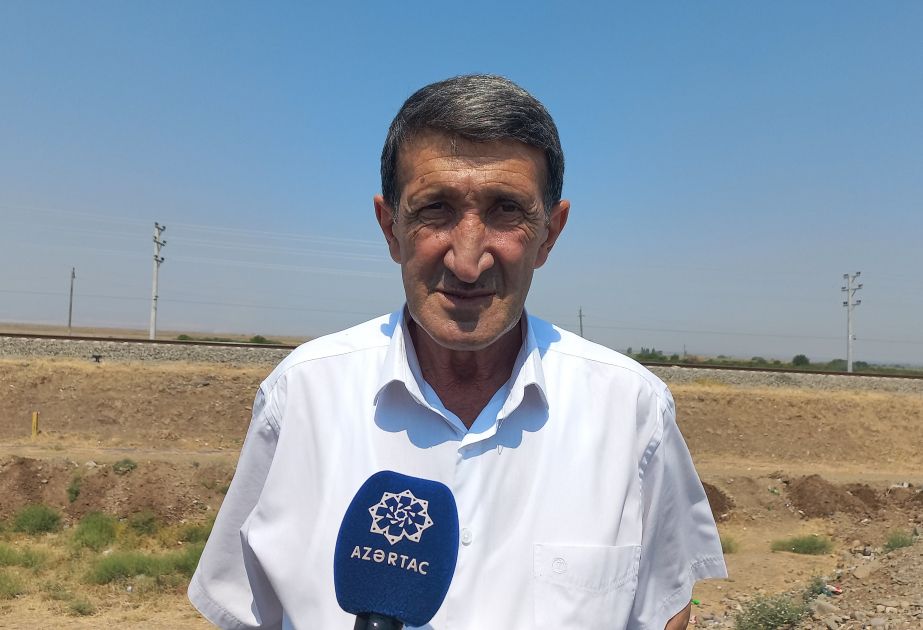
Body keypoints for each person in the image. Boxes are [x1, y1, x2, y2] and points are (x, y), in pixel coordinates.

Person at [189, 74, 727, 629]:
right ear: (390, 227)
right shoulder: (301, 396)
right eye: (436, 209)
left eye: (506, 210)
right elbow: (244, 613)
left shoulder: (631, 409)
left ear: (550, 233)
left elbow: (664, 611)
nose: (467, 262)